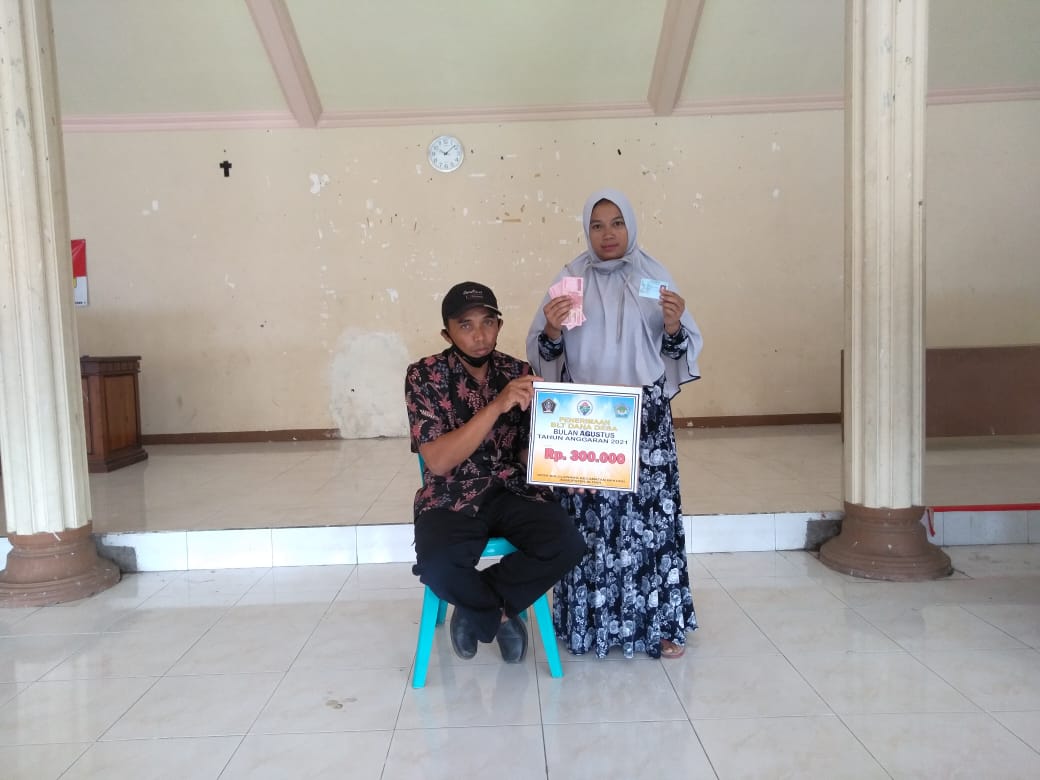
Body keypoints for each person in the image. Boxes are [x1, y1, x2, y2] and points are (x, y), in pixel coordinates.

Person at [526, 189, 703, 659]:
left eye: (617, 223)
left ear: (631, 227)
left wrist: (673, 326)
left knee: (649, 523)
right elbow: (546, 356)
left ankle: (659, 624)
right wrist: (551, 329)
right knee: (590, 523)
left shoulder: (654, 277)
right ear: (587, 230)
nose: (608, 234)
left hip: (644, 419)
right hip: (588, 418)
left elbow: (676, 352)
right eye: (597, 225)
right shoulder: (570, 279)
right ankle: (588, 625)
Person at [406, 281, 586, 664]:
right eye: (466, 325)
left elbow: (527, 449)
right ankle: (500, 615)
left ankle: (478, 609)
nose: (479, 335)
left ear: (499, 325)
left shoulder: (518, 372)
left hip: (510, 490)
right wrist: (497, 405)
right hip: (450, 495)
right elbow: (438, 461)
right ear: (447, 333)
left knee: (566, 542)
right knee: (437, 565)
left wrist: (571, 465)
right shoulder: (424, 376)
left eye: (488, 322)